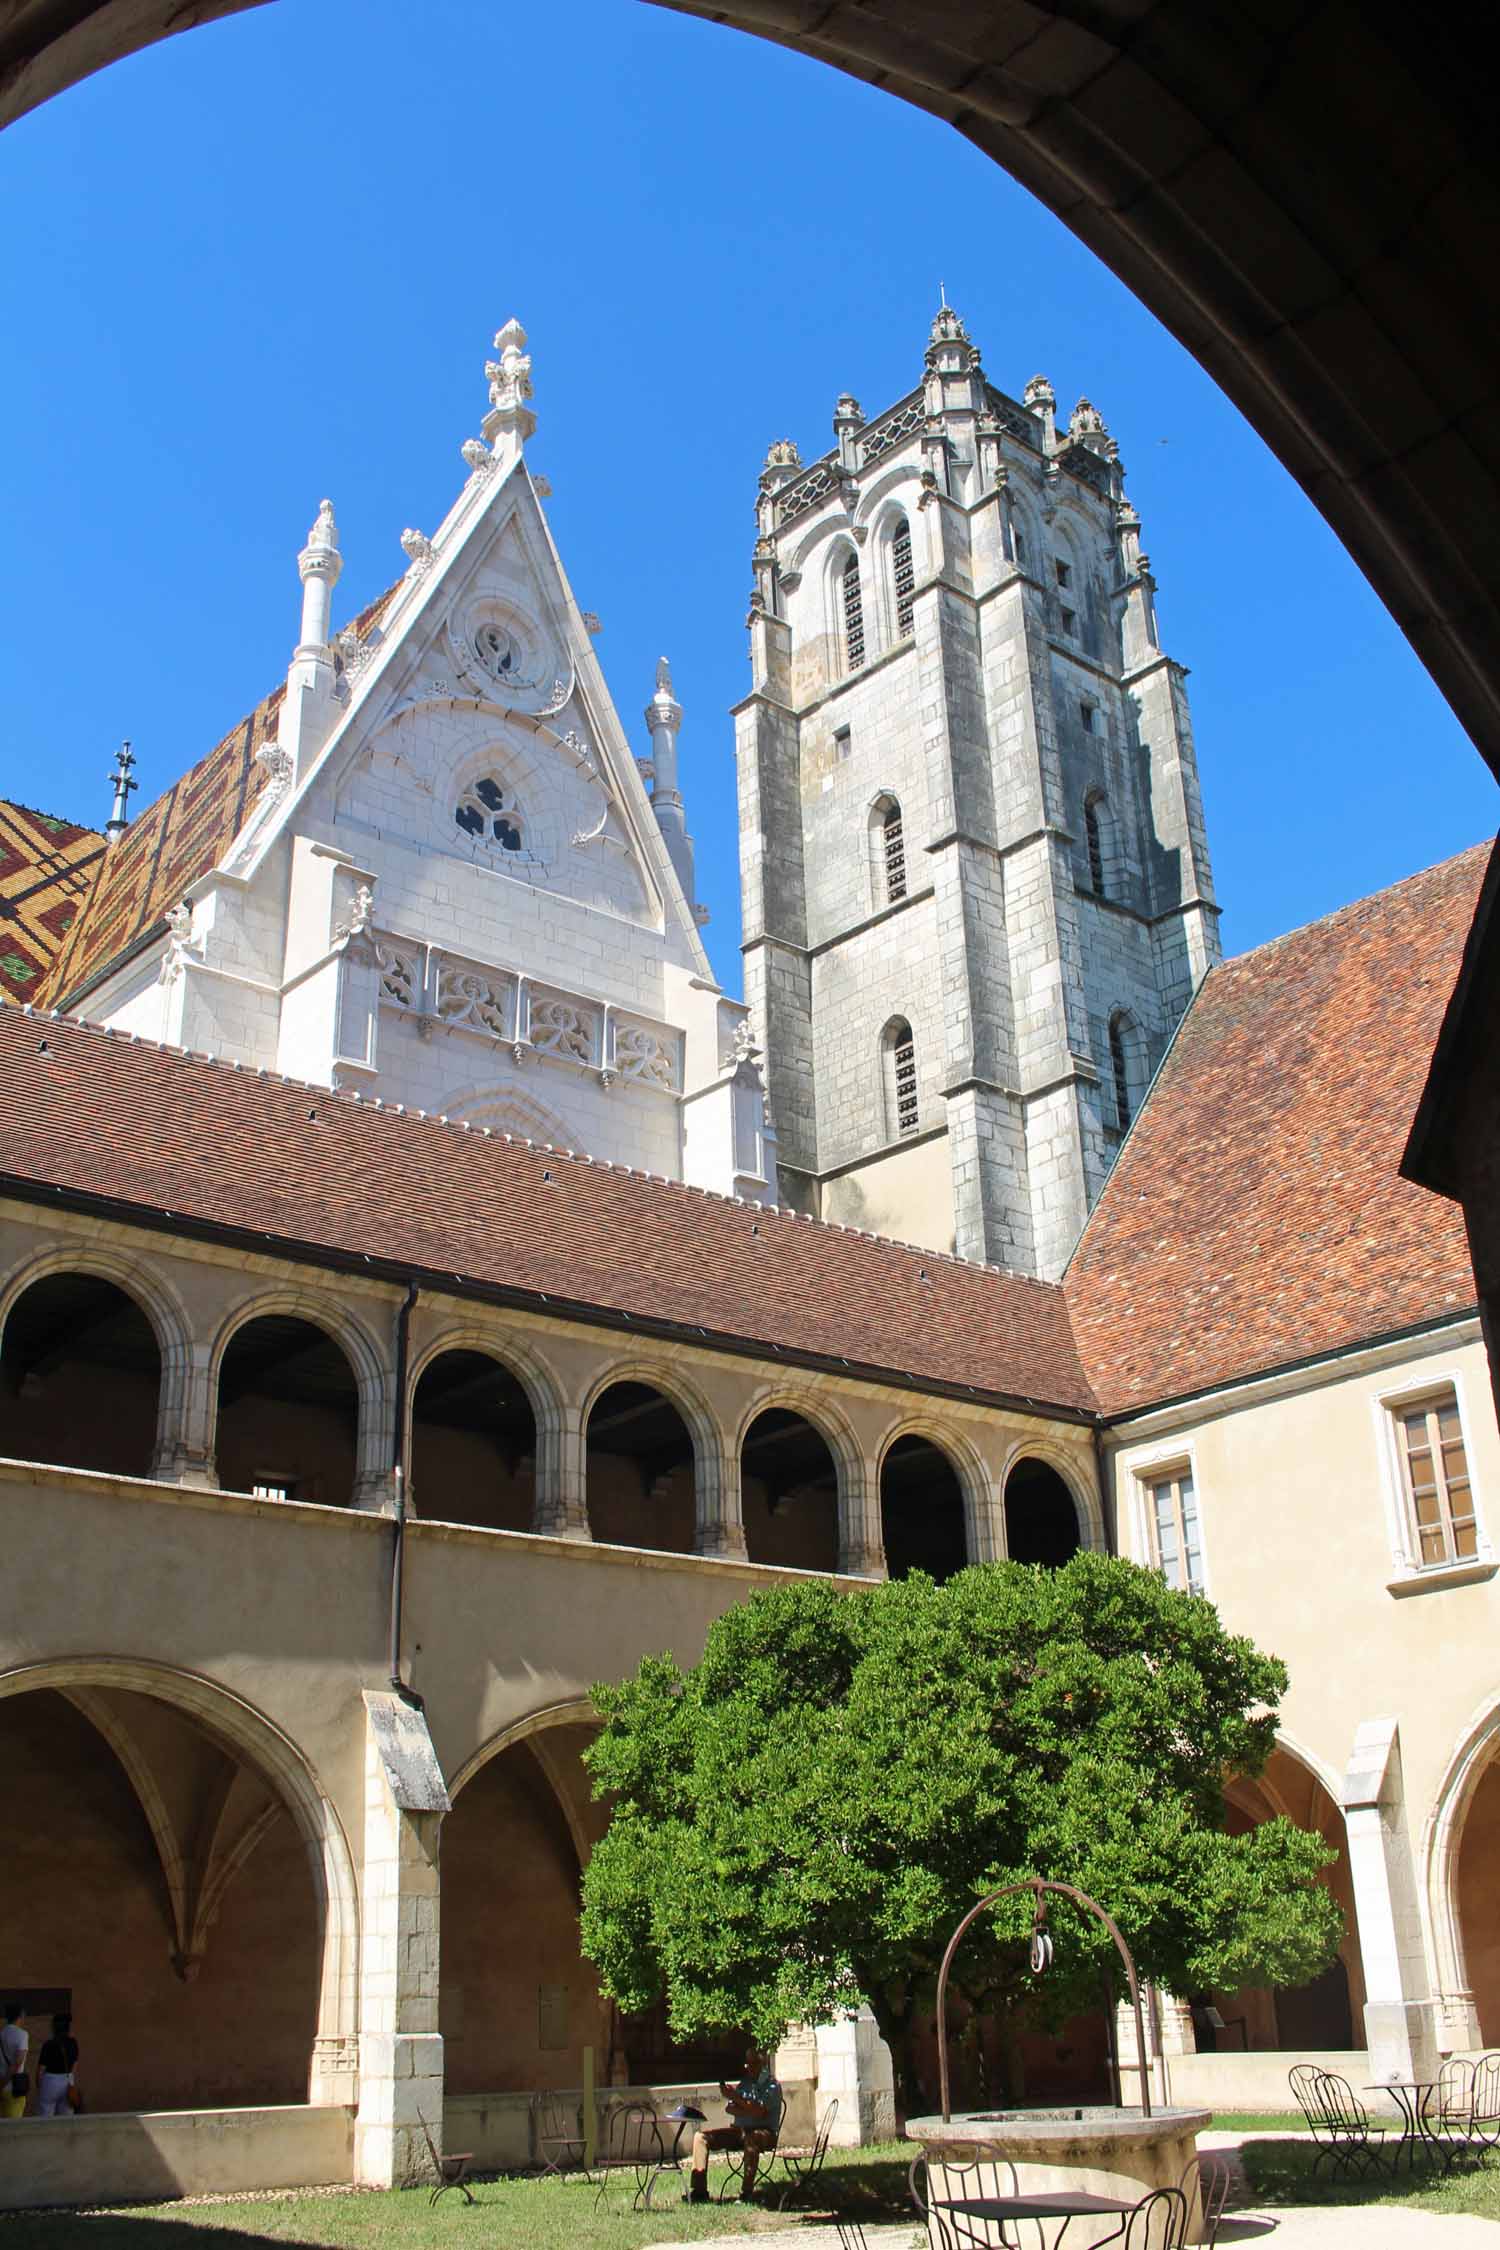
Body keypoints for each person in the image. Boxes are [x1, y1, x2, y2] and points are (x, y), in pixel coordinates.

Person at [683, 2046, 784, 2203]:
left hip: (764, 2133)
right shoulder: (745, 2084)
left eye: (752, 2063)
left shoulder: (772, 2086)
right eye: (747, 2063)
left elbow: (760, 2112)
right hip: (739, 2131)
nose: (748, 2067)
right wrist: (746, 2106)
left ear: (761, 2063)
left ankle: (746, 2193)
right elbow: (730, 2108)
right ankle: (699, 2190)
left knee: (752, 2139)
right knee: (700, 2137)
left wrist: (738, 2100)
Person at [35, 2013, 78, 2118]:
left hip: (50, 2081)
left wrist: (40, 2087)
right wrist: (70, 2081)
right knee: (66, 2118)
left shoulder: (48, 2044)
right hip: (67, 2080)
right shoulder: (73, 2043)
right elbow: (75, 2065)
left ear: (54, 2027)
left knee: (45, 2117)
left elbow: (40, 2070)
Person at [1, 2003, 27, 2120]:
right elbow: (18, 2062)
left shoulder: (1, 2033)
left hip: (1, 2084)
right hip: (14, 2087)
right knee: (14, 2126)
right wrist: (5, 2082)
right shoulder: (22, 2034)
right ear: (20, 2015)